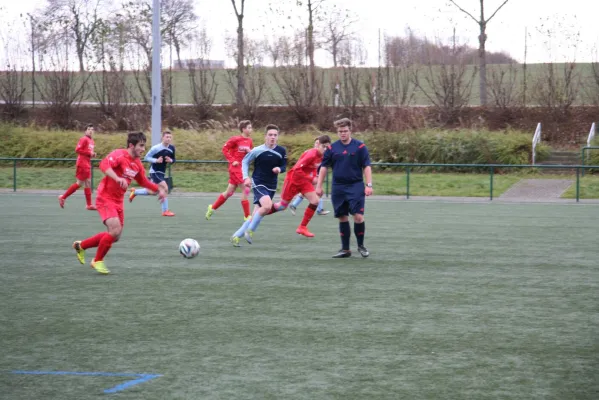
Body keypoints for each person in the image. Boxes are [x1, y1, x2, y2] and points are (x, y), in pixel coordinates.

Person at [72, 132, 167, 274]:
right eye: (141, 146)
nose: (143, 149)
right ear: (131, 145)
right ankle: (97, 261)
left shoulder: (137, 164)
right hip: (105, 197)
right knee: (115, 230)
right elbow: (103, 165)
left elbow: (142, 181)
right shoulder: (119, 155)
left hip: (118, 201)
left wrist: (158, 189)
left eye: (144, 146)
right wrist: (117, 178)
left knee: (115, 236)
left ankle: (81, 246)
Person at [315, 118, 373, 258]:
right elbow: (324, 167)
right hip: (338, 187)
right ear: (337, 132)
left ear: (350, 131)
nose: (343, 134)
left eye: (345, 131)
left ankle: (361, 246)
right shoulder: (332, 148)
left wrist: (369, 184)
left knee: (358, 216)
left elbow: (366, 166)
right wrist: (319, 186)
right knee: (342, 217)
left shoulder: (360, 147)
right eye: (340, 131)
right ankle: (345, 249)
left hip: (356, 186)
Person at [230, 124, 287, 247]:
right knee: (267, 206)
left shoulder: (281, 151)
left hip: (271, 185)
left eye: (275, 135)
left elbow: (284, 166)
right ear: (265, 136)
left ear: (278, 137)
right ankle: (250, 231)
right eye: (270, 135)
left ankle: (236, 236)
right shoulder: (257, 150)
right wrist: (245, 177)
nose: (272, 137)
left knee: (256, 214)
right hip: (258, 182)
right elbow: (244, 161)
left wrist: (279, 169)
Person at [267, 135, 332, 238]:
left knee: (315, 201)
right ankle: (261, 212)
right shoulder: (311, 154)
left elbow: (314, 168)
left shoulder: (323, 156)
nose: (325, 149)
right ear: (318, 144)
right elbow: (297, 170)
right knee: (282, 206)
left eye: (327, 147)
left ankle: (302, 227)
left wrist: (314, 178)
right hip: (293, 180)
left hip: (304, 182)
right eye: (323, 146)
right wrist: (312, 179)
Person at [206, 120, 254, 221]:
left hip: (243, 170)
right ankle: (247, 216)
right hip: (235, 168)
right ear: (243, 129)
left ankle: (212, 208)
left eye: (251, 127)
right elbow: (225, 149)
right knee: (246, 187)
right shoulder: (235, 139)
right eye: (249, 127)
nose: (251, 129)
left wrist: (250, 153)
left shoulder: (249, 141)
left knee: (229, 192)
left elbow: (250, 156)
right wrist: (232, 161)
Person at [128, 130, 176, 216]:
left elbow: (173, 160)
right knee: (165, 187)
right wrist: (156, 160)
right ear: (162, 138)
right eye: (167, 137)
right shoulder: (156, 148)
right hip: (154, 171)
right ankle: (165, 211)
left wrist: (170, 160)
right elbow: (147, 157)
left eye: (170, 137)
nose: (168, 139)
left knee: (153, 192)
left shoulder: (172, 148)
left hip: (162, 172)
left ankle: (135, 192)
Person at [288, 138, 331, 216]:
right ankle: (319, 210)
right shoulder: (310, 153)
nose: (318, 145)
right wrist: (313, 177)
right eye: (316, 143)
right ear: (315, 144)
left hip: (314, 175)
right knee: (318, 191)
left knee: (313, 192)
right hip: (308, 176)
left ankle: (294, 205)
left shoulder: (322, 154)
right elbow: (301, 166)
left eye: (319, 143)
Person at [58, 124, 97, 210]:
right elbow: (77, 150)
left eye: (92, 129)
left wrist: (92, 154)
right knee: (83, 183)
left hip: (87, 163)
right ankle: (63, 197)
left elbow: (88, 152)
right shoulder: (83, 139)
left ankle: (88, 205)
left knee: (85, 183)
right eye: (88, 129)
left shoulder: (92, 141)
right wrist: (89, 153)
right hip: (82, 164)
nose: (90, 131)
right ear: (85, 131)